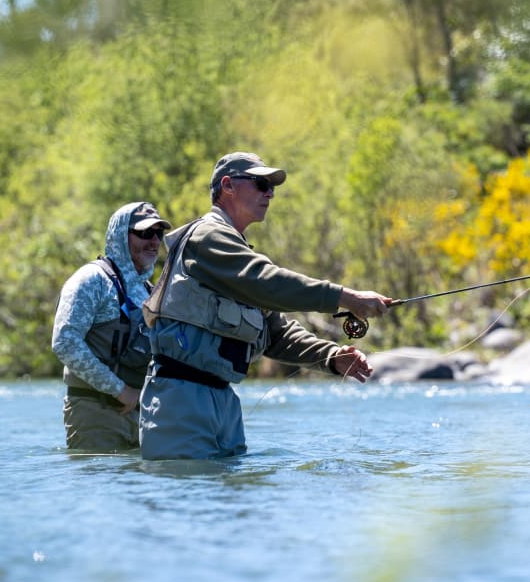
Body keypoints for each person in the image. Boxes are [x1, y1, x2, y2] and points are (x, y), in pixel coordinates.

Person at [138, 151, 392, 460]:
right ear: (228, 186)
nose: (270, 192)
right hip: (182, 398)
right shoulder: (207, 238)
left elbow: (276, 334)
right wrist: (346, 297)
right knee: (188, 502)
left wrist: (331, 357)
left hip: (223, 403)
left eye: (271, 186)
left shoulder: (236, 250)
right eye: (261, 184)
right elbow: (267, 281)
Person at [52, 202, 172, 451]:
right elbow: (65, 342)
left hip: (142, 419)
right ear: (119, 234)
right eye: (144, 233)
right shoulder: (91, 280)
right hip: (95, 413)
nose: (153, 241)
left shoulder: (150, 291)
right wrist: (121, 391)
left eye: (158, 234)